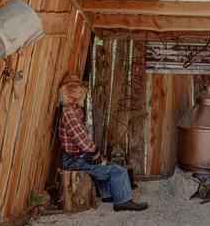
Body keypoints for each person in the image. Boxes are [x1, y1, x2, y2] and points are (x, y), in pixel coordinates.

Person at [57, 75, 147, 212]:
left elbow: (83, 140)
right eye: (74, 89)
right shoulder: (69, 114)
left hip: (78, 157)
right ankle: (123, 202)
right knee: (118, 170)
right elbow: (82, 142)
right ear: (67, 92)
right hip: (73, 161)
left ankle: (109, 196)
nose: (79, 91)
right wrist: (95, 152)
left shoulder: (74, 109)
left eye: (79, 88)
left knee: (106, 164)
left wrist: (95, 154)